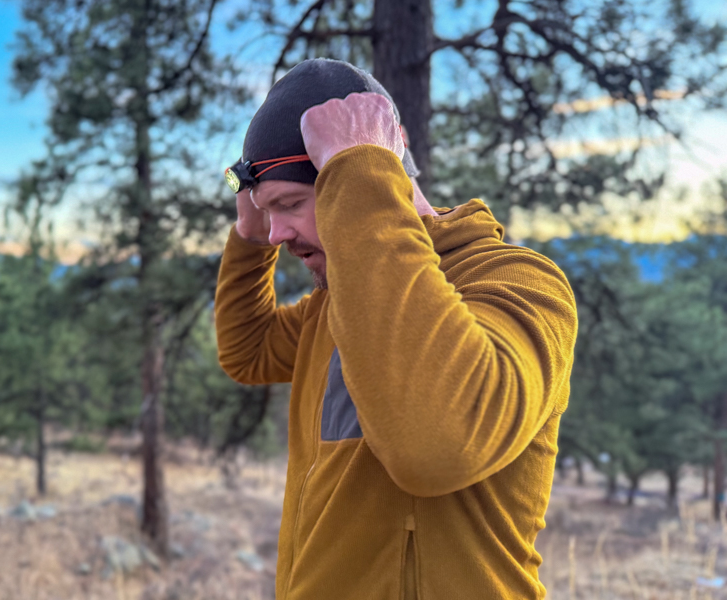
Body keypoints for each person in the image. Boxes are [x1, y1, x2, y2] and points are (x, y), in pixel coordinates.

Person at [214, 58, 578, 600]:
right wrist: (247, 233)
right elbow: (247, 350)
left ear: (367, 177)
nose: (276, 235)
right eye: (269, 213)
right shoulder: (336, 301)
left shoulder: (519, 283)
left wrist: (359, 173)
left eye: (290, 204)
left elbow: (436, 447)